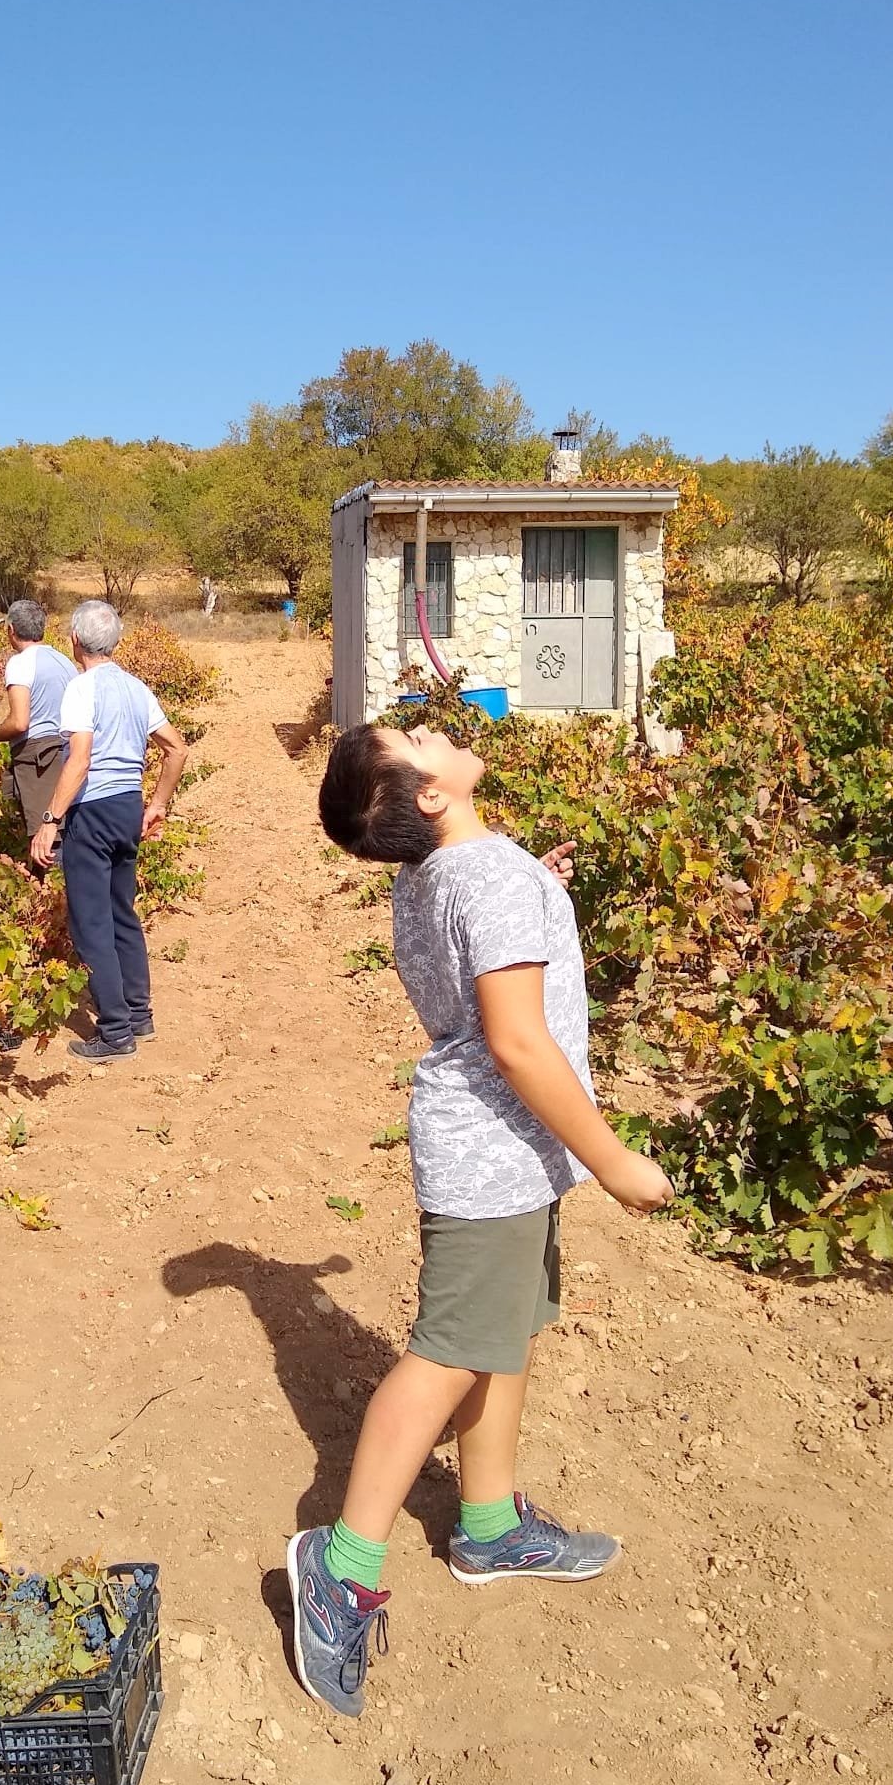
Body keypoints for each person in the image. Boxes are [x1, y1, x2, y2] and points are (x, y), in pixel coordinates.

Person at [286, 720, 674, 1718]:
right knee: (452, 1350)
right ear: (428, 797)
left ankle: (491, 1524)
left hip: (503, 1155)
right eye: (414, 737)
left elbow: (480, 953)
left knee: (501, 1335)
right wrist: (617, 1160)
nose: (434, 726)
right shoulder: (486, 881)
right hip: (497, 1155)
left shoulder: (450, 875)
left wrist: (535, 888)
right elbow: (517, 1042)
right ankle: (343, 1564)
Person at [29, 601, 187, 1061]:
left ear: (74, 640)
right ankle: (139, 1014)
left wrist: (50, 821)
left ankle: (115, 1031)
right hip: (126, 808)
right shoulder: (137, 688)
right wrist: (156, 804)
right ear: (114, 642)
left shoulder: (81, 690)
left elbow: (79, 760)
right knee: (122, 912)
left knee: (91, 920)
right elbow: (176, 749)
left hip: (92, 812)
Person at [0, 599, 77, 835]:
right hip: (67, 750)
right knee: (63, 826)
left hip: (38, 757)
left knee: (45, 836)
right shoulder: (65, 662)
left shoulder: (20, 663)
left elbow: (19, 722)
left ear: (11, 630)